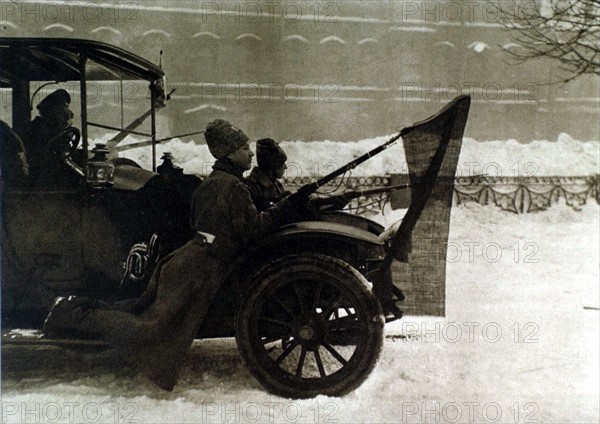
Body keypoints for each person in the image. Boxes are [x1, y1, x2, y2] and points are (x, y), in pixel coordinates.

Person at [42, 119, 307, 391]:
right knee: (149, 329)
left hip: (190, 261)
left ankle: (76, 306)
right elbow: (253, 231)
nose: (251, 154)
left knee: (140, 311)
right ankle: (71, 314)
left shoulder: (216, 182)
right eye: (244, 148)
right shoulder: (232, 187)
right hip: (198, 269)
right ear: (230, 152)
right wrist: (290, 206)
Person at [27, 89, 77, 182]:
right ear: (51, 111)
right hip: (40, 177)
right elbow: (54, 152)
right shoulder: (38, 128)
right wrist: (67, 132)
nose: (65, 118)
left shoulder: (49, 127)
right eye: (61, 112)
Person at [245, 138, 291, 212]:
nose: (285, 167)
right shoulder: (251, 187)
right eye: (282, 164)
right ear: (273, 165)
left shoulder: (276, 185)